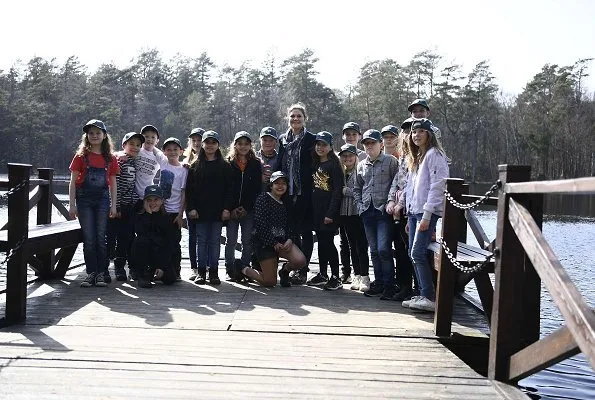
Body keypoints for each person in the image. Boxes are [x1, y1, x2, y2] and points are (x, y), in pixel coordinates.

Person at [395, 118, 449, 312]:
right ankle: (422, 292)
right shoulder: (417, 156)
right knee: (413, 253)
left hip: (427, 212)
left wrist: (427, 216)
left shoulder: (435, 154)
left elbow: (438, 186)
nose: (416, 135)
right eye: (414, 132)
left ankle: (429, 297)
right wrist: (409, 213)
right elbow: (411, 187)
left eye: (421, 132)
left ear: (429, 134)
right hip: (414, 212)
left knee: (417, 253)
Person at [68, 119, 119, 288]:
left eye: (98, 133)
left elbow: (113, 183)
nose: (95, 136)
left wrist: (113, 205)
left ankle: (102, 273)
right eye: (91, 133)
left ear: (104, 136)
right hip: (84, 201)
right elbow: (73, 181)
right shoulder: (81, 157)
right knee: (89, 238)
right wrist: (72, 205)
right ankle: (91, 273)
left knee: (101, 238)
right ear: (87, 136)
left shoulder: (110, 158)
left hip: (103, 200)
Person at [238, 171, 307, 287]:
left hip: (281, 242)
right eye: (277, 183)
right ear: (271, 185)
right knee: (270, 282)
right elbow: (260, 223)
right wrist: (272, 242)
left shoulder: (286, 202)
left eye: (283, 183)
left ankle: (285, 270)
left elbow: (291, 224)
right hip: (265, 243)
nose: (280, 186)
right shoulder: (263, 198)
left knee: (300, 260)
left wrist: (290, 239)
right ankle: (242, 268)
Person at [353, 129, 398, 299]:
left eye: (373, 143)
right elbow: (357, 188)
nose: (370, 146)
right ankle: (378, 283)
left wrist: (391, 201)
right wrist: (359, 205)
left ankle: (389, 285)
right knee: (373, 250)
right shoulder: (361, 164)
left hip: (383, 212)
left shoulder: (391, 161)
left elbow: (397, 183)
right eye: (366, 144)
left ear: (380, 144)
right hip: (367, 211)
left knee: (384, 249)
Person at [185, 130, 233, 285]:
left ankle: (213, 272)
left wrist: (227, 209)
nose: (210, 145)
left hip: (218, 211)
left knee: (214, 241)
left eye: (213, 142)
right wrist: (191, 208)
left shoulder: (225, 166)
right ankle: (201, 272)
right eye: (207, 142)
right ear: (202, 144)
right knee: (201, 241)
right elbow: (189, 190)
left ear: (218, 145)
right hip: (200, 212)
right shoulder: (195, 165)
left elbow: (229, 190)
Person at [276, 103, 316, 285]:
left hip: (305, 192)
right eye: (292, 116)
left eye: (299, 116)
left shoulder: (311, 139)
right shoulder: (283, 139)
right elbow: (279, 162)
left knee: (306, 232)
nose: (295, 119)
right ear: (288, 118)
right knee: (291, 231)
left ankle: (303, 270)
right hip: (286, 191)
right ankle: (293, 266)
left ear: (305, 118)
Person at [305, 131, 344, 290]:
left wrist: (331, 213)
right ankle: (322, 274)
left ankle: (336, 276)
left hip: (329, 212)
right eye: (318, 144)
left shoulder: (334, 165)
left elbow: (337, 191)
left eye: (324, 145)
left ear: (330, 147)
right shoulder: (315, 164)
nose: (320, 147)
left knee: (328, 243)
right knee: (321, 243)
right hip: (317, 211)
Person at [386, 118, 417, 301]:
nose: (407, 135)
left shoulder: (419, 156)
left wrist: (400, 204)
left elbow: (413, 185)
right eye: (404, 131)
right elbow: (397, 181)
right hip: (399, 210)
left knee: (412, 250)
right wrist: (391, 200)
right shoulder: (403, 155)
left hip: (412, 210)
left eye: (410, 131)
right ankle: (404, 285)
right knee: (400, 248)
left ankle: (418, 288)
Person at [225, 131, 262, 280]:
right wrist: (231, 208)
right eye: (240, 143)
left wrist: (246, 207)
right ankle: (230, 269)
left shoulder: (255, 164)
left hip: (249, 210)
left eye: (246, 144)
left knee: (247, 241)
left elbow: (256, 188)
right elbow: (226, 188)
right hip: (232, 209)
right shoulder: (228, 163)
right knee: (231, 241)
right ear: (235, 145)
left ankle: (245, 269)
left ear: (250, 146)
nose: (243, 147)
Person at [107, 131, 144, 282]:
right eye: (131, 144)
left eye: (138, 145)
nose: (135, 147)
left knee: (127, 238)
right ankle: (105, 269)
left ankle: (121, 267)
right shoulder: (118, 160)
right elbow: (114, 186)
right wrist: (116, 206)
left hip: (132, 206)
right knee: (111, 238)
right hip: (118, 206)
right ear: (124, 145)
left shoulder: (138, 161)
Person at [129, 185, 176, 288]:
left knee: (170, 279)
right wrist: (148, 214)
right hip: (145, 255)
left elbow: (169, 244)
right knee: (140, 241)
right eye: (149, 200)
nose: (153, 203)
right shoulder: (139, 216)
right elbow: (142, 233)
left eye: (156, 200)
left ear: (162, 201)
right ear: (145, 201)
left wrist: (161, 266)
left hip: (159, 254)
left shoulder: (166, 218)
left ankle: (155, 272)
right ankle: (143, 274)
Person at [338, 143, 370, 292]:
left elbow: (363, 190)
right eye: (344, 156)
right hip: (345, 213)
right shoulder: (341, 172)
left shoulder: (360, 171)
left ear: (356, 157)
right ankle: (356, 274)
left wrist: (345, 190)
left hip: (358, 212)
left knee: (361, 245)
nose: (347, 158)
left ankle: (365, 276)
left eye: (350, 155)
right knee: (351, 245)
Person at [159, 137, 188, 281]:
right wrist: (161, 209)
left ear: (181, 151)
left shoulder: (184, 170)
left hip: (176, 212)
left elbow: (183, 192)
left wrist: (181, 214)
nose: (172, 152)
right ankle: (163, 269)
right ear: (164, 152)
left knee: (175, 242)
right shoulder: (162, 165)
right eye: (169, 149)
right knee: (162, 241)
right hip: (162, 210)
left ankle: (176, 271)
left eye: (175, 149)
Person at [182, 127, 205, 280]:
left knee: (206, 238)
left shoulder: (210, 159)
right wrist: (189, 208)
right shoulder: (185, 161)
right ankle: (194, 268)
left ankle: (207, 266)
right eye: (194, 140)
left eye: (199, 140)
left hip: (207, 206)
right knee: (193, 237)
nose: (196, 143)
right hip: (191, 206)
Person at [134, 124, 168, 206]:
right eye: (146, 136)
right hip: (133, 195)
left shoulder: (158, 155)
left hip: (148, 195)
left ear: (157, 140)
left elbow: (169, 163)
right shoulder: (137, 150)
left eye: (153, 137)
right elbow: (125, 152)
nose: (149, 139)